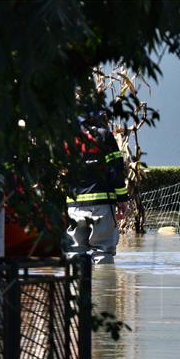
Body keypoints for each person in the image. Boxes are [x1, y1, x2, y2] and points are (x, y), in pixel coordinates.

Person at [65, 110, 129, 264]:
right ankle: (103, 288)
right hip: (102, 206)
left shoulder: (67, 138)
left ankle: (77, 287)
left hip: (74, 207)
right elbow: (116, 170)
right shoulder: (104, 136)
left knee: (75, 252)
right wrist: (122, 199)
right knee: (102, 251)